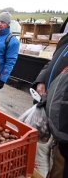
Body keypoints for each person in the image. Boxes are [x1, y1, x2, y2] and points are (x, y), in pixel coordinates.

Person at [32, 33, 68, 178]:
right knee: (40, 147)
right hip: (48, 105)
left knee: (61, 161)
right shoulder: (65, 39)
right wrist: (41, 80)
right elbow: (51, 62)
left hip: (63, 114)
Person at [0, 12, 20, 90]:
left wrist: (2, 79)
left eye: (3, 22)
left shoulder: (12, 41)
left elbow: (10, 62)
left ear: (8, 24)